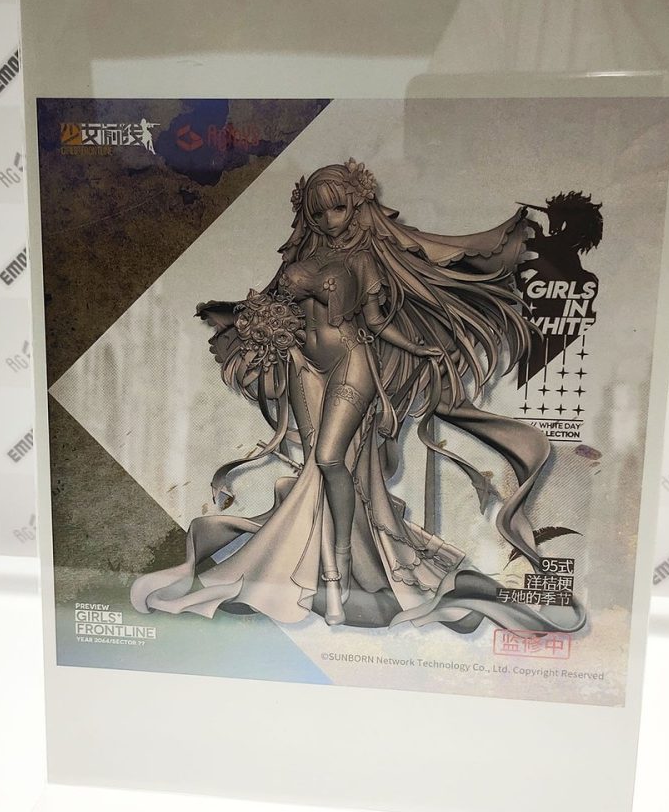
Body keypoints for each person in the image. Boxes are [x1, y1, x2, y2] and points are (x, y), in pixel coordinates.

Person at [130, 160, 585, 635]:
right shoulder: (298, 256)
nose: (329, 220)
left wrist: (418, 348)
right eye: (318, 212)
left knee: (331, 459)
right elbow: (268, 306)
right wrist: (250, 325)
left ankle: (339, 569)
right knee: (315, 466)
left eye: (338, 209)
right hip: (304, 366)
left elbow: (377, 320)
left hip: (352, 361)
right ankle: (312, 569)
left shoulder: (368, 256)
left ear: (356, 204)